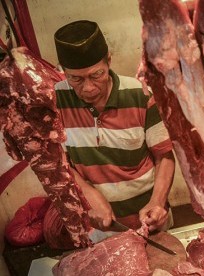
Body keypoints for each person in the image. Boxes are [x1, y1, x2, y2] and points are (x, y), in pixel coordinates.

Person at [49, 20, 175, 240]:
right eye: (75, 79)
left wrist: (158, 201)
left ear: (109, 61)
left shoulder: (140, 94)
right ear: (63, 71)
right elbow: (58, 160)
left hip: (150, 220)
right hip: (100, 227)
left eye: (96, 75)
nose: (88, 88)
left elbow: (164, 156)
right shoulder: (55, 100)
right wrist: (89, 194)